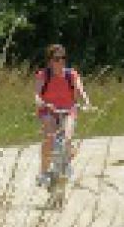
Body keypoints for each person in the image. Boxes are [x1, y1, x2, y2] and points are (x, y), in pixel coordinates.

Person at [34, 44, 92, 187]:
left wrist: (87, 102)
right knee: (49, 137)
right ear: (50, 61)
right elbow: (37, 95)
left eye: (63, 58)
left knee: (68, 138)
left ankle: (65, 165)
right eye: (56, 59)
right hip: (49, 110)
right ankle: (43, 172)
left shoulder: (71, 74)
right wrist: (43, 104)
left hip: (68, 110)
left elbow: (80, 89)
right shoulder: (43, 75)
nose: (60, 62)